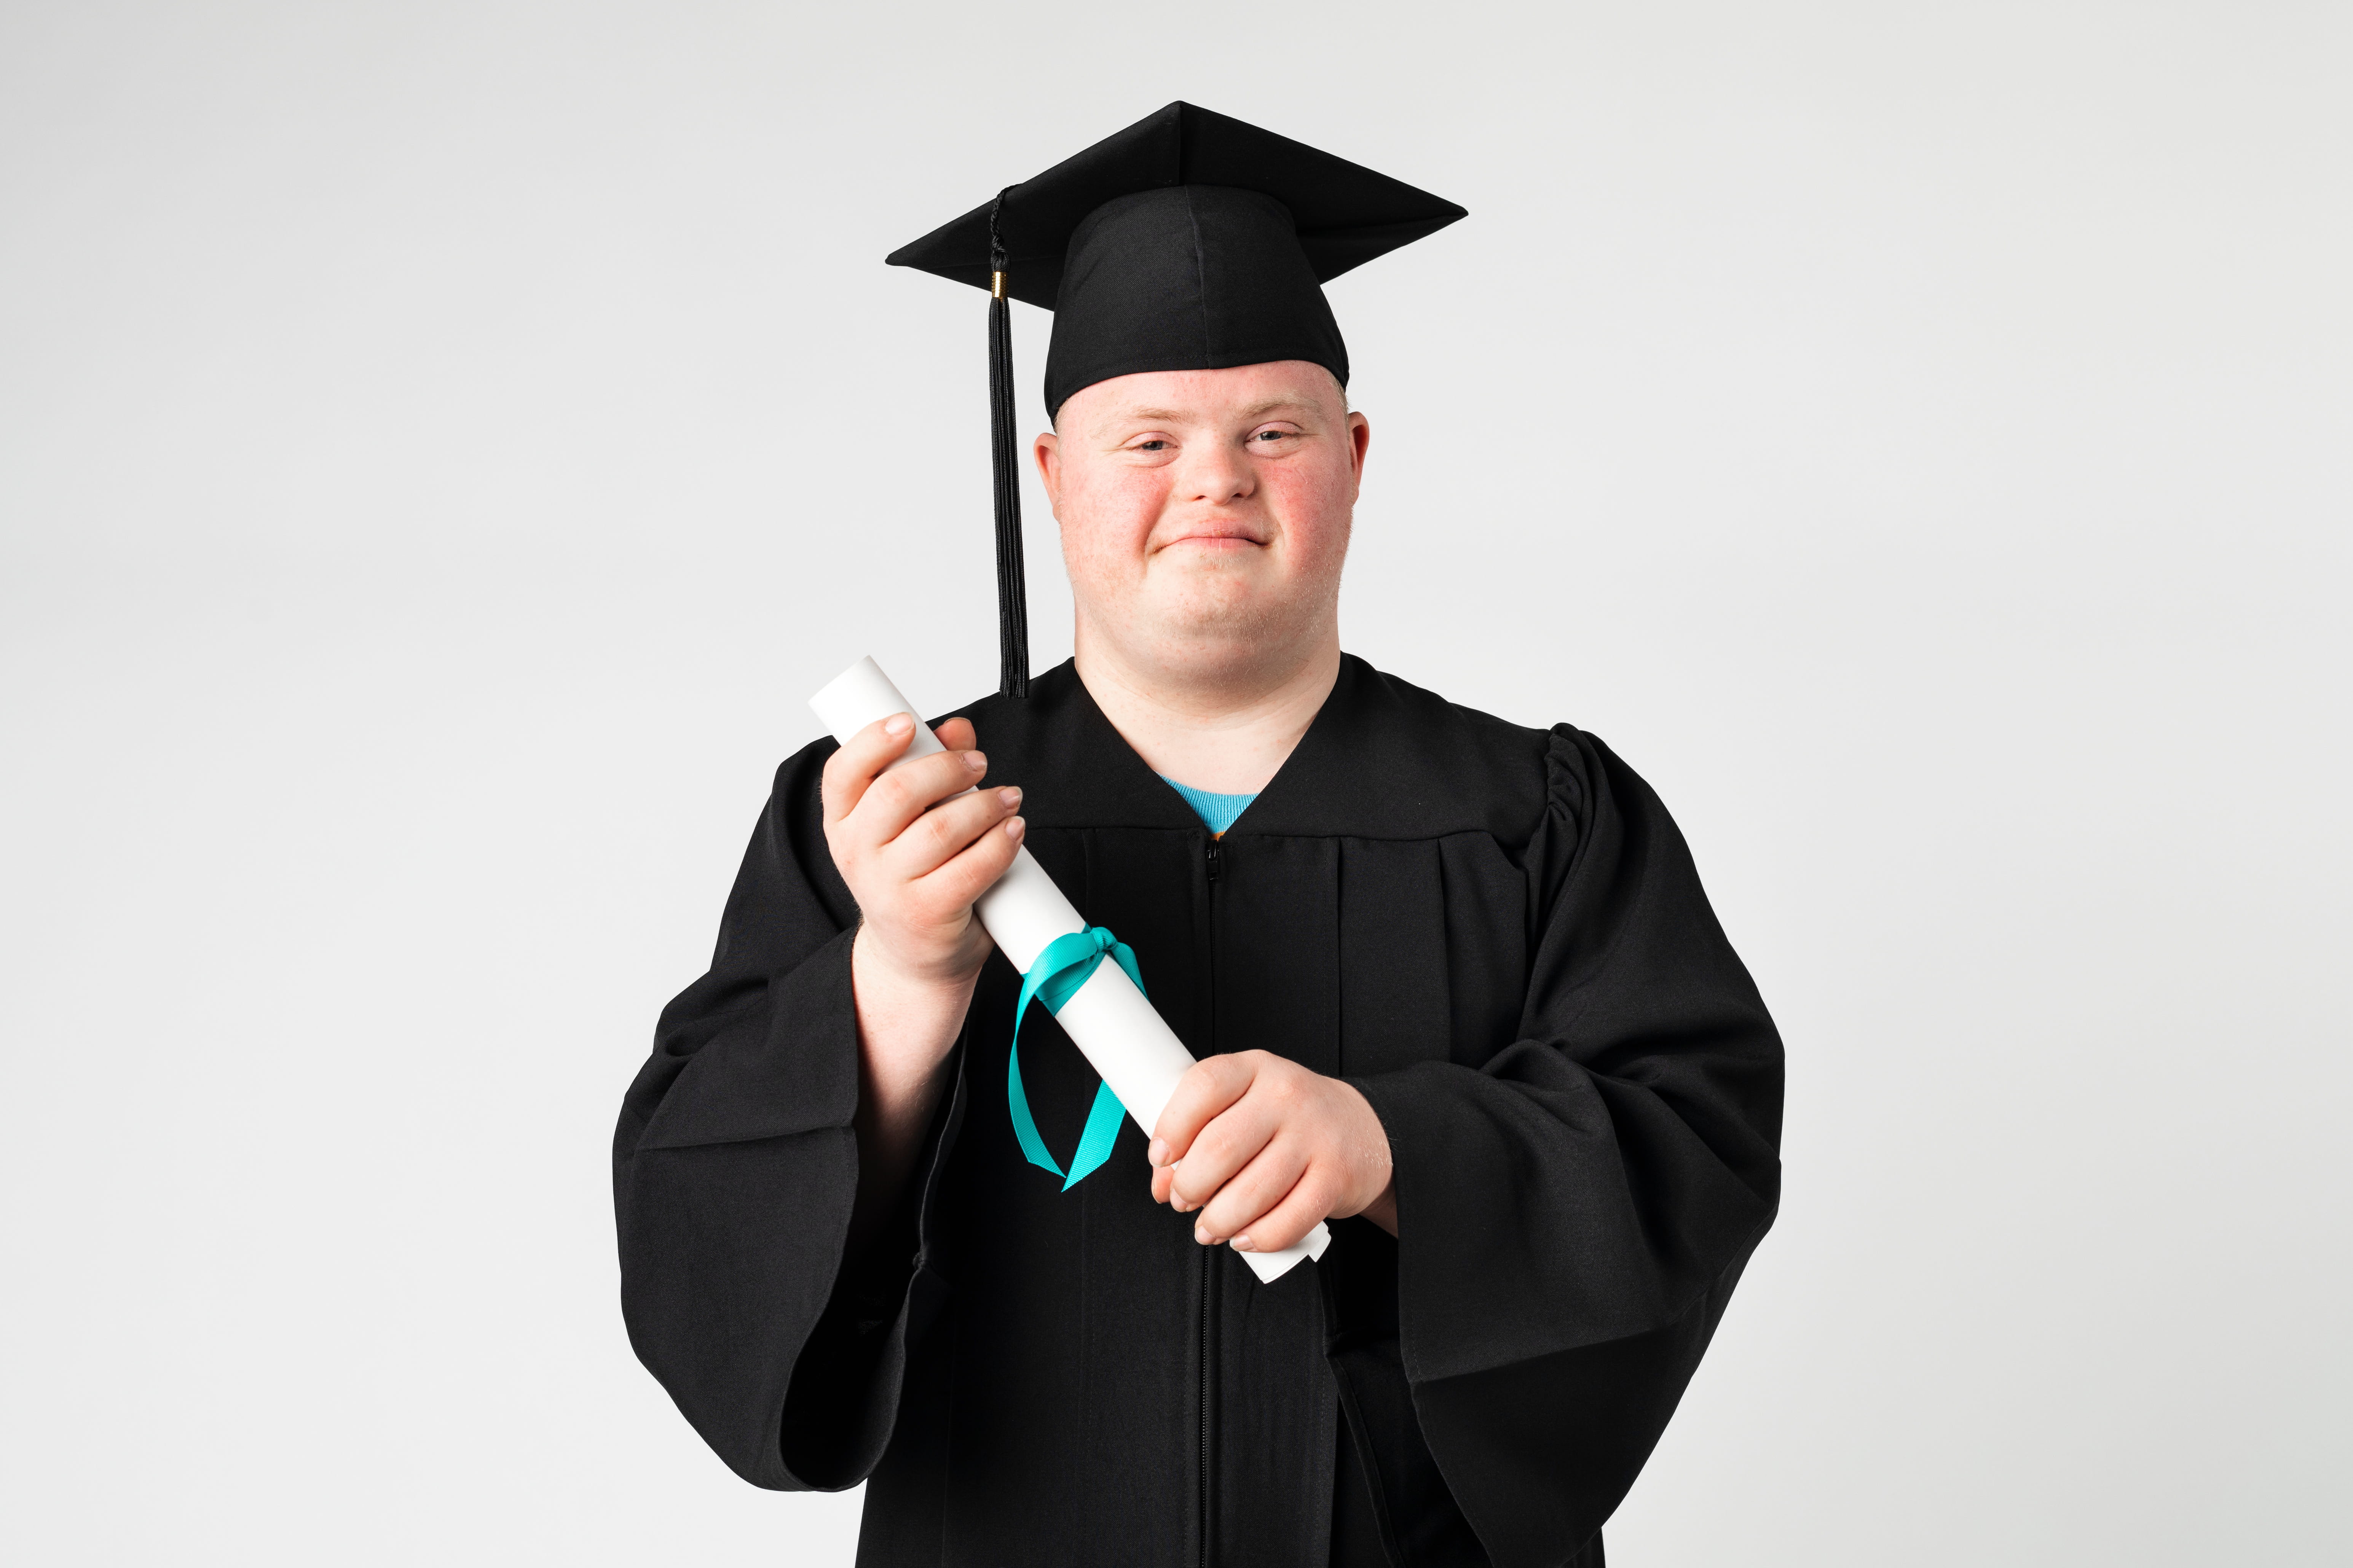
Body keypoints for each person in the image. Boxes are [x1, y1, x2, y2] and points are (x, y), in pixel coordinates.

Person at [614, 103, 1782, 1568]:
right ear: (1054, 477)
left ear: (1354, 457)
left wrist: (1395, 1147)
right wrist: (901, 976)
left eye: (1273, 433)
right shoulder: (886, 824)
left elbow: (1693, 1148)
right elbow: (701, 1240)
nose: (1216, 479)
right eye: (1149, 439)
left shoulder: (1539, 820)